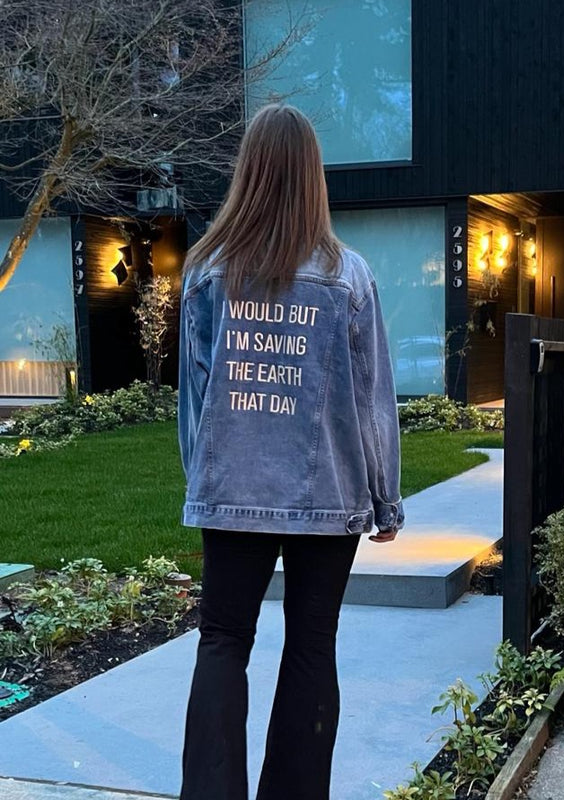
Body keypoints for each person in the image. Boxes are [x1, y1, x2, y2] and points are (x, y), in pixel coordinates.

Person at [177, 104, 403, 800]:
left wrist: (204, 482)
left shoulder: (207, 271)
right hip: (327, 493)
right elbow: (372, 399)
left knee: (222, 641)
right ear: (313, 177)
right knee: (311, 644)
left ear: (248, 173)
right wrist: (385, 498)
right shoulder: (349, 277)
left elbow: (195, 399)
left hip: (232, 490)